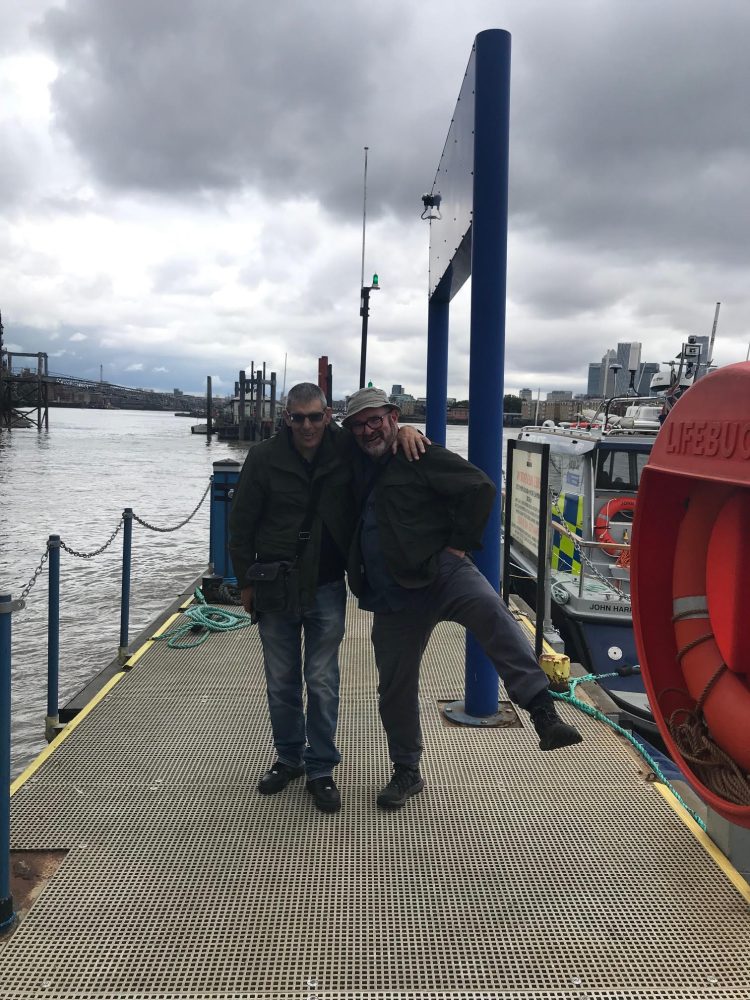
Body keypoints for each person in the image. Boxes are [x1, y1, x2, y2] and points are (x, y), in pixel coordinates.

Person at [343, 386, 583, 810]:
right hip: (392, 593)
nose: (367, 430)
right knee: (395, 688)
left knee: (492, 610)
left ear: (393, 416)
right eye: (359, 423)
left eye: (376, 420)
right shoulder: (351, 462)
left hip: (440, 572)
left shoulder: (420, 454)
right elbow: (312, 434)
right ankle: (406, 770)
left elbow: (481, 487)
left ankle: (542, 711)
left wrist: (459, 544)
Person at [229, 382, 425, 813]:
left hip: (326, 583)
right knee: (280, 681)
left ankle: (321, 768)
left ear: (328, 414)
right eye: (297, 418)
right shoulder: (263, 459)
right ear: (285, 418)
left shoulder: (345, 446)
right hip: (275, 587)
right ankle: (288, 758)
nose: (307, 426)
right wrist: (245, 583)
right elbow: (240, 524)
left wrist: (406, 428)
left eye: (315, 417)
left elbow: (379, 439)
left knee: (321, 680)